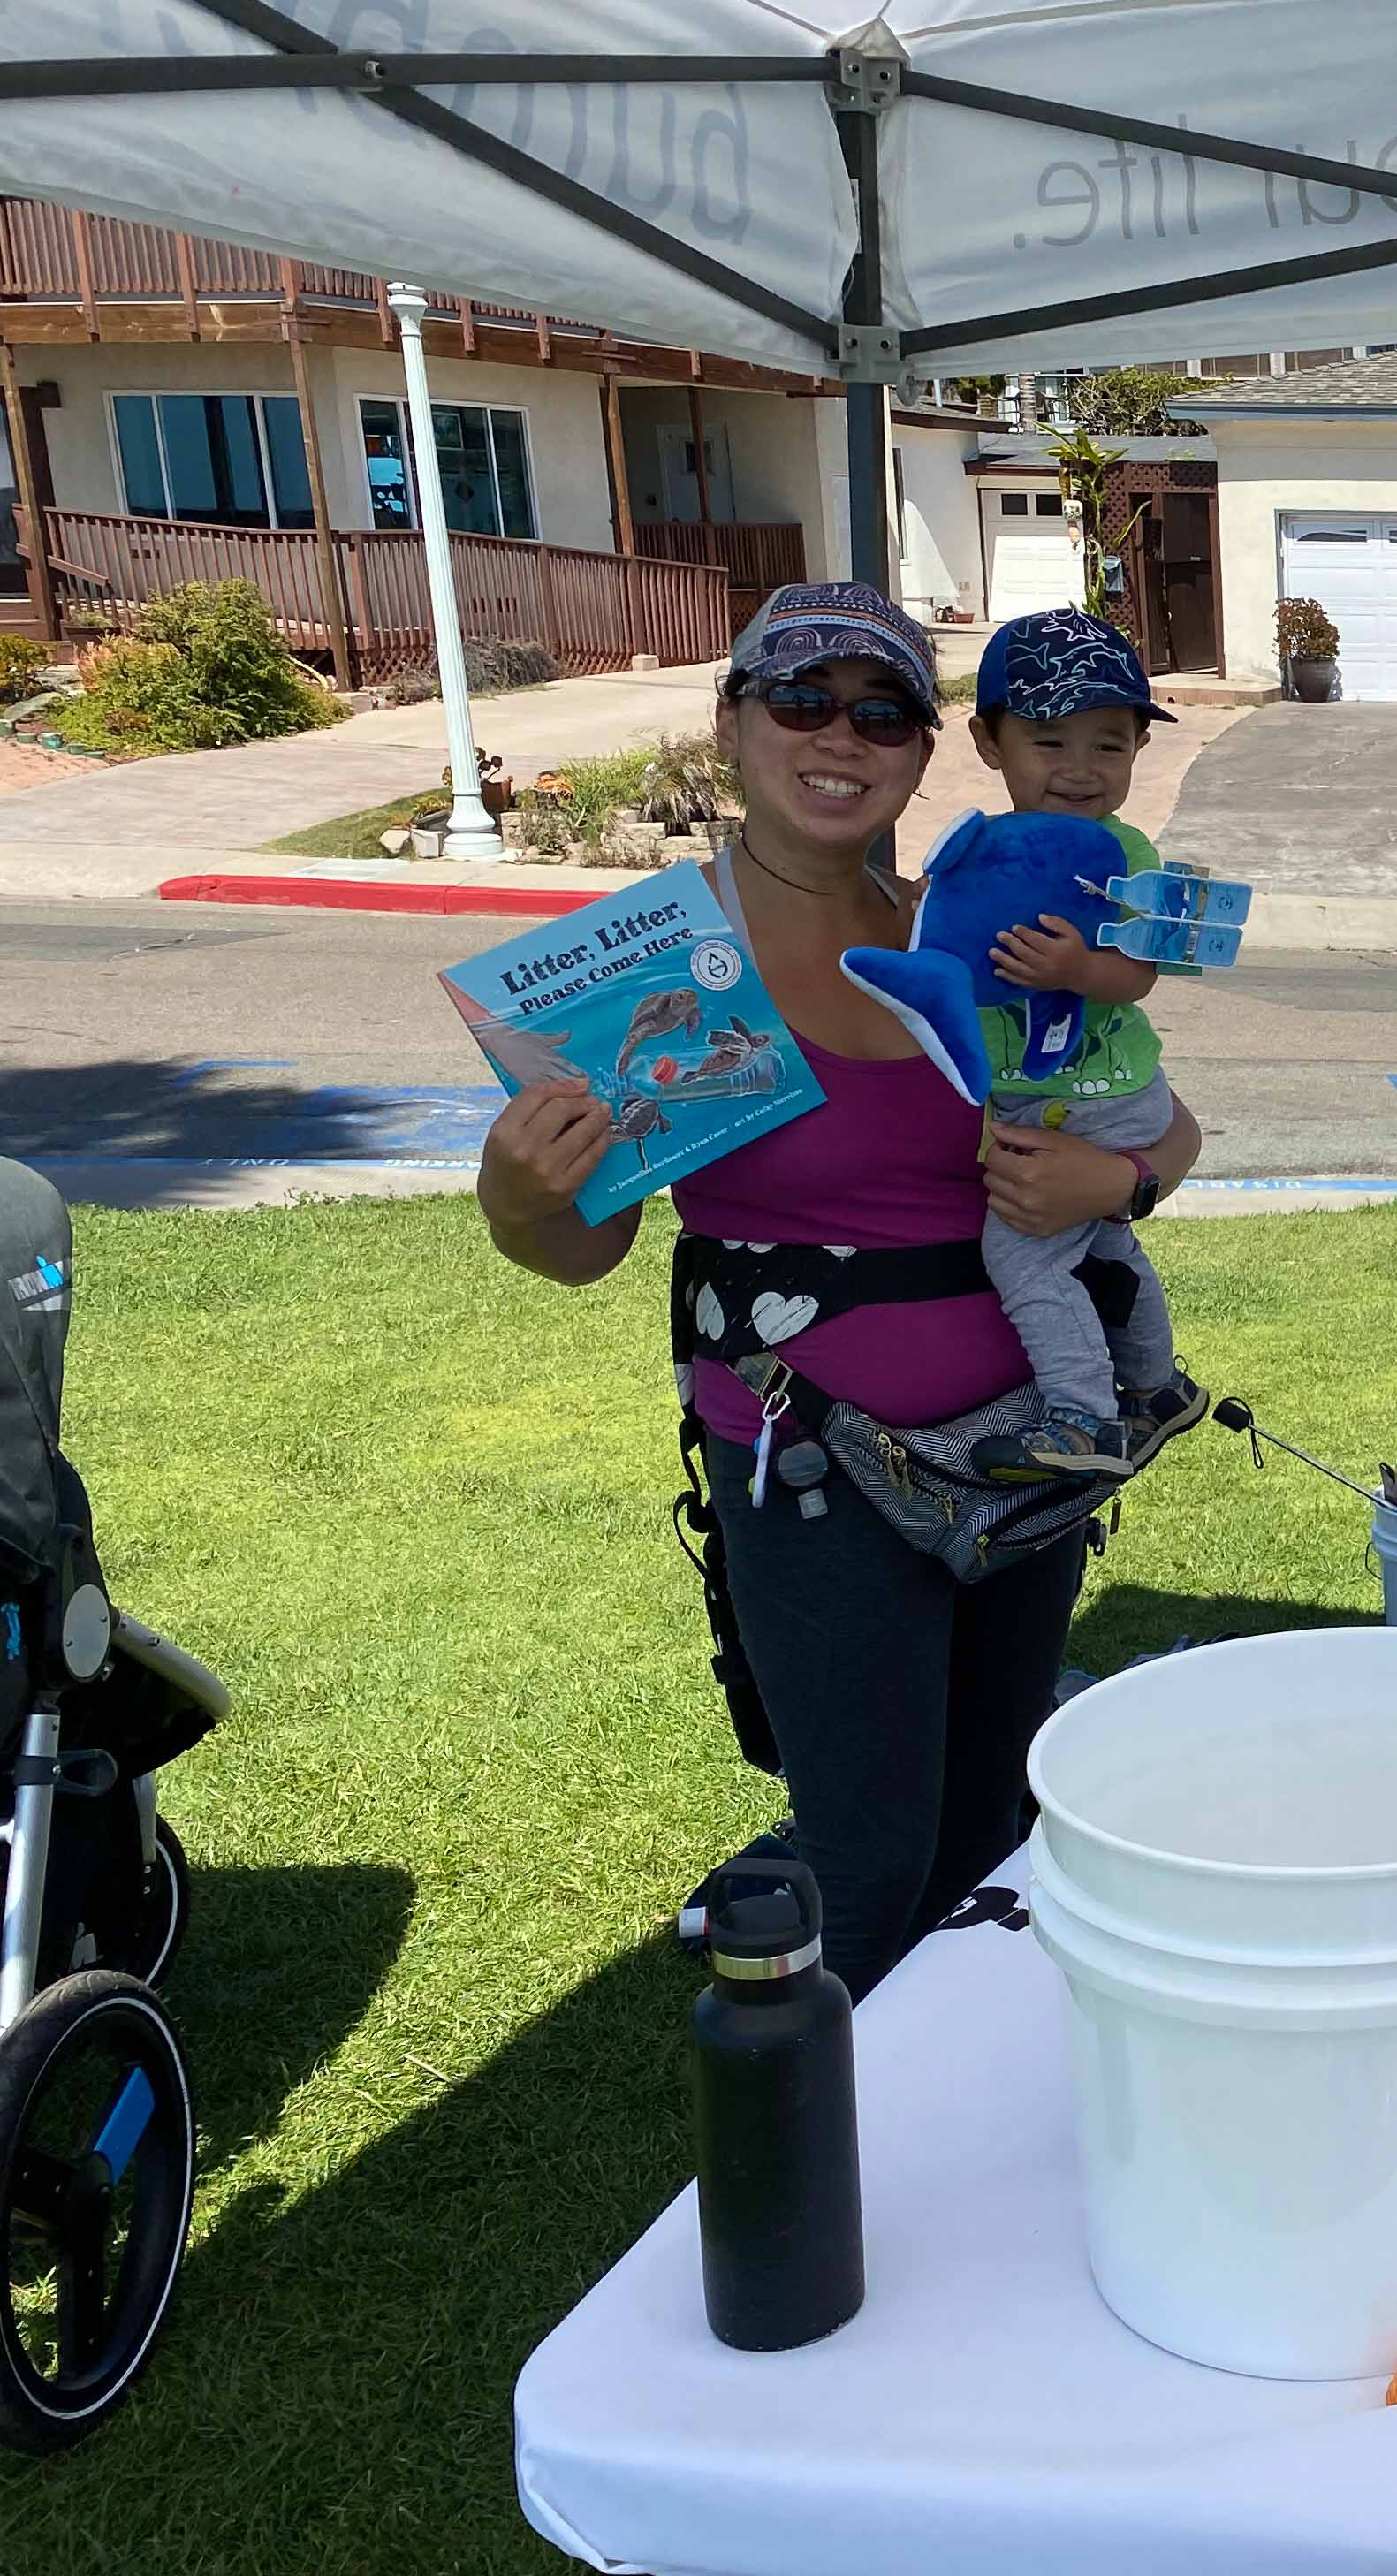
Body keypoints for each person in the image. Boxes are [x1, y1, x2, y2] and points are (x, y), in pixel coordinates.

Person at [473, 583, 1208, 1998]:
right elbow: (583, 1248)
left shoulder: (970, 918)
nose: (841, 738)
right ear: (734, 723)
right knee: (871, 1857)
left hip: (1024, 1450)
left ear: (930, 750)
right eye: (801, 701)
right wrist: (520, 1197)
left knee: (992, 1824)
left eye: (883, 713)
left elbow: (1153, 1119)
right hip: (809, 1465)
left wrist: (1116, 1192)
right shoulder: (654, 964)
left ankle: (967, 2121)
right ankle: (827, 2182)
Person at [955, 607, 1202, 1484]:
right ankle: (1156, 1386)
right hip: (1038, 1089)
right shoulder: (984, 852)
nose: (1079, 771)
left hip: (1099, 1094)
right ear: (990, 742)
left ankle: (1083, 1418)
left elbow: (1139, 976)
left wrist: (1075, 965)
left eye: (1109, 745)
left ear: (1140, 748)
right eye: (1049, 741)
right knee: (1104, 1248)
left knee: (1019, 1255)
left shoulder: (1125, 850)